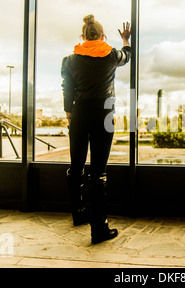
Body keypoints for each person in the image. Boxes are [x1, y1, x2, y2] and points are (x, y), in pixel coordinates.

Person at [61, 14, 131, 244]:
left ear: (82, 37)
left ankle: (78, 212)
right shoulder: (111, 54)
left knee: (76, 165)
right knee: (98, 170)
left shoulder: (70, 60)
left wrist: (70, 114)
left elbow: (67, 88)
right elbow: (127, 56)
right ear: (103, 36)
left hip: (79, 111)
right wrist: (126, 40)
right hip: (105, 111)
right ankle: (98, 227)